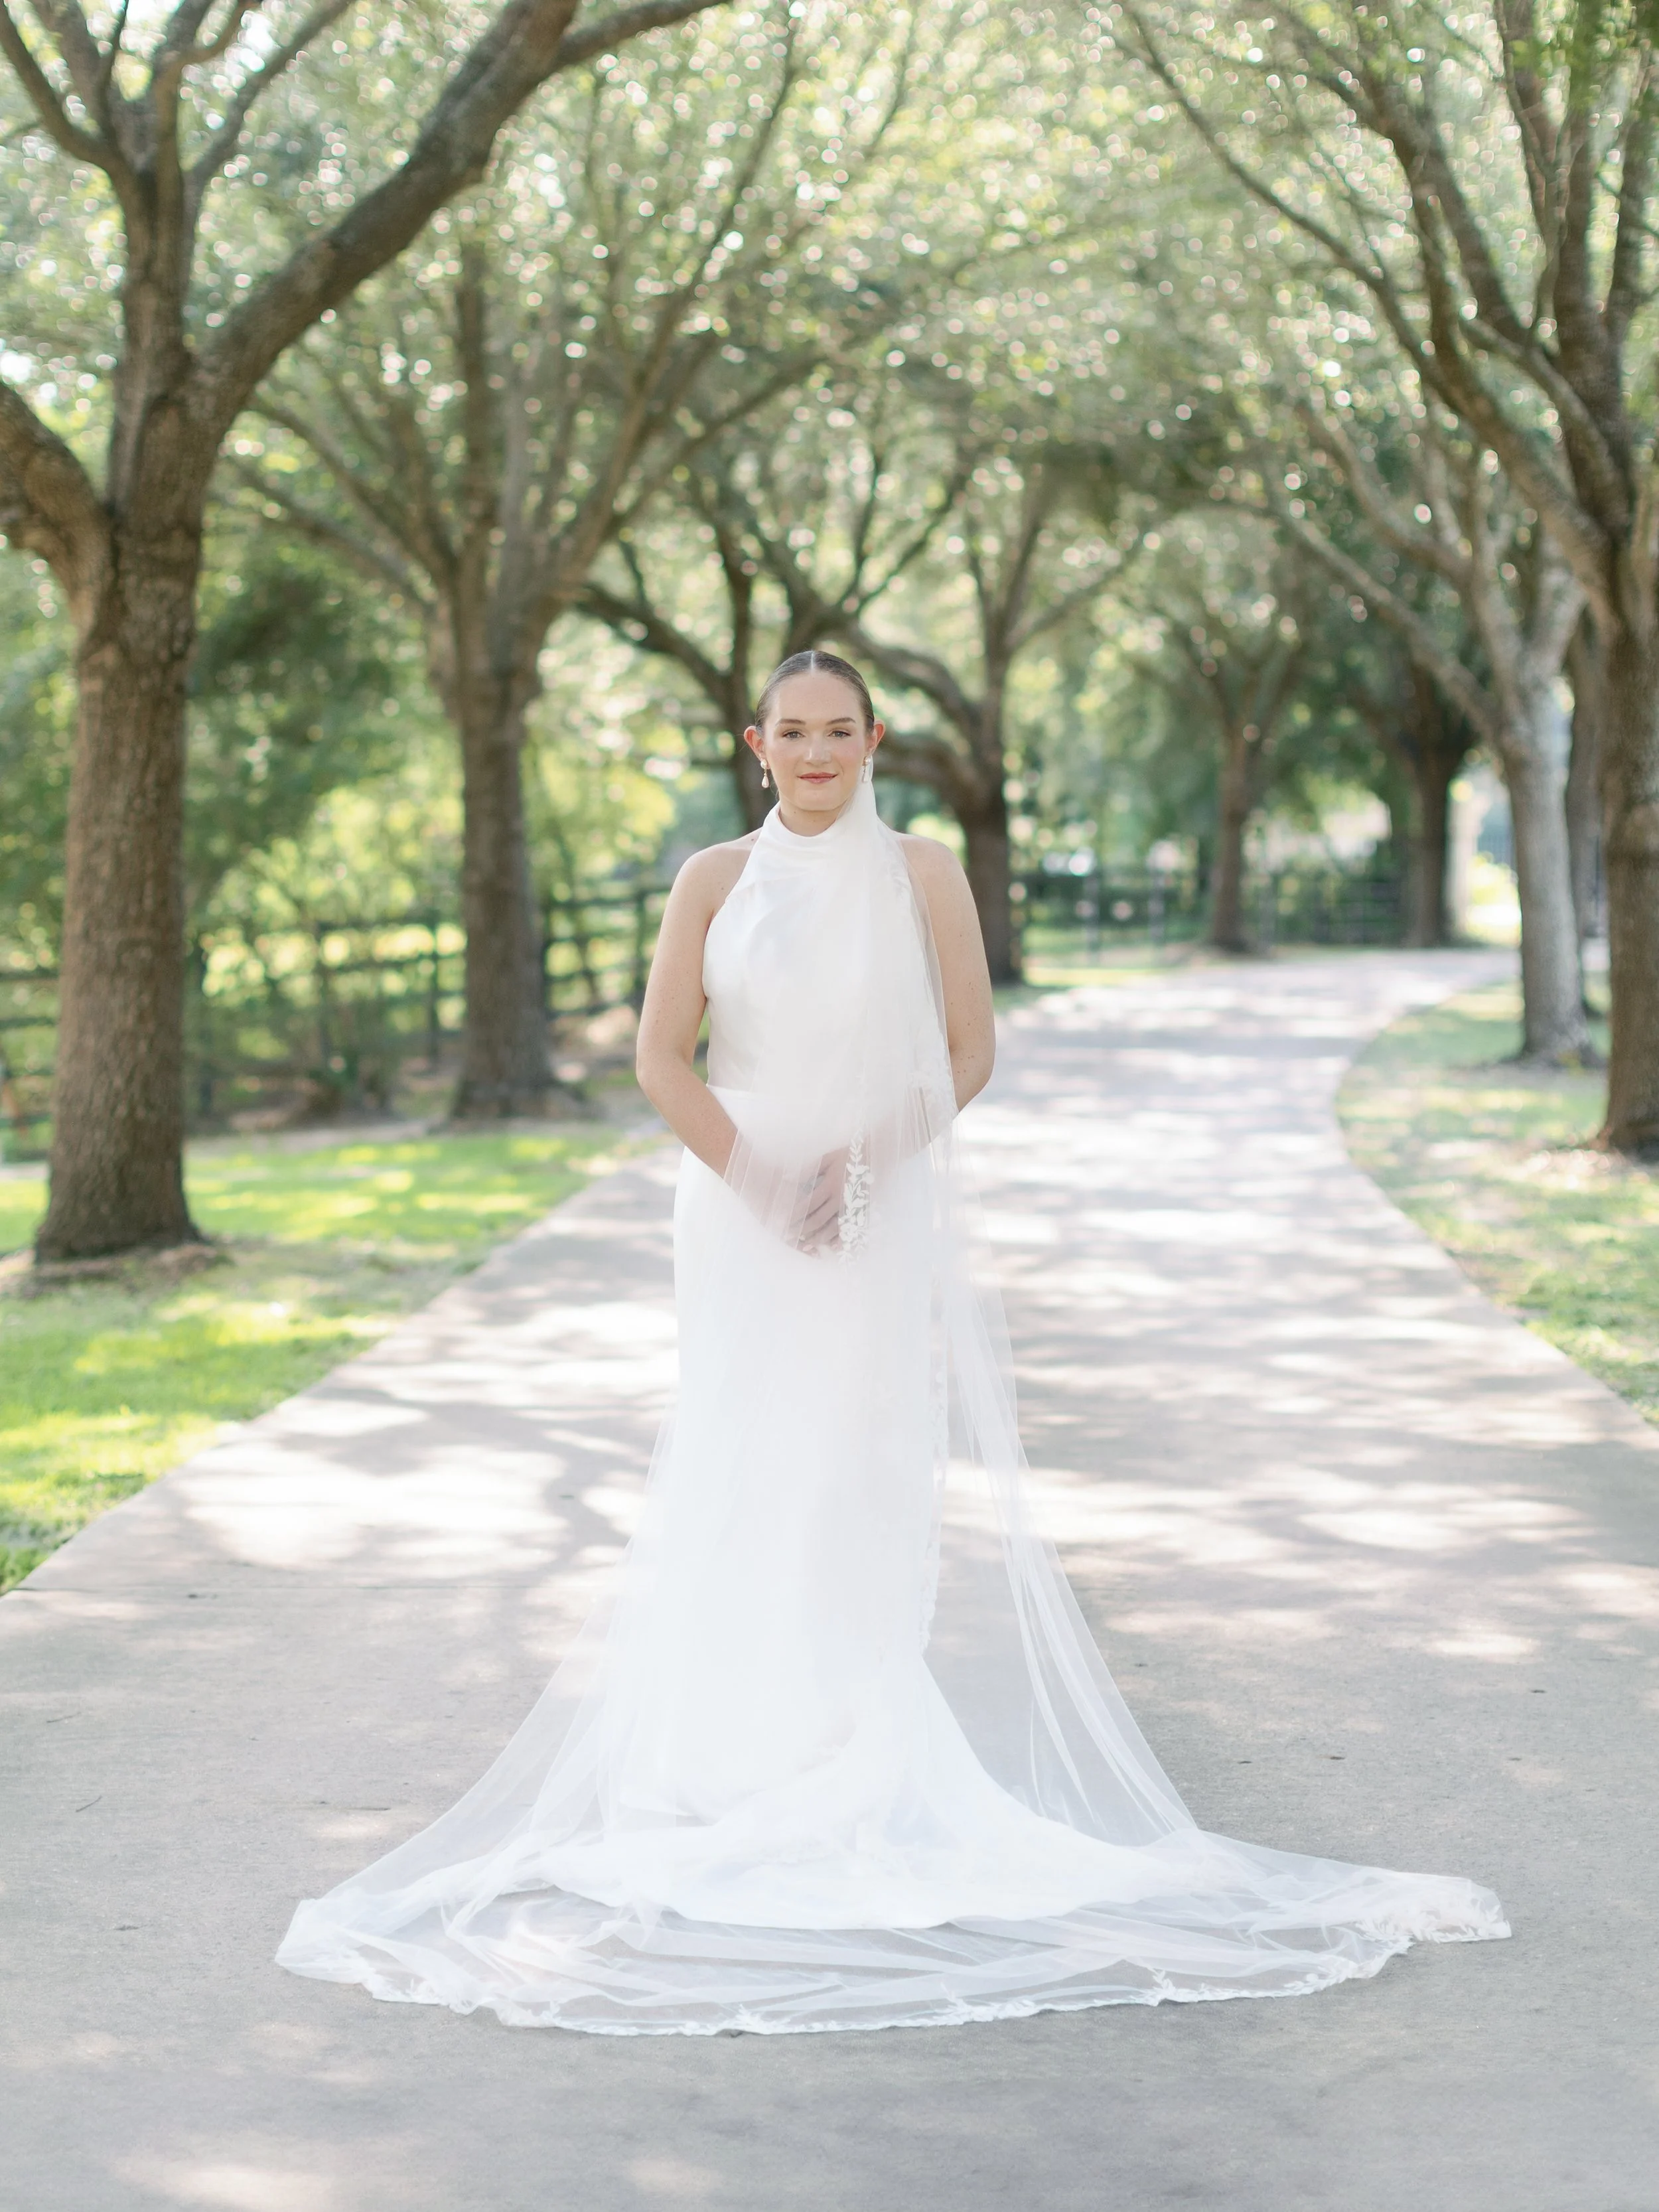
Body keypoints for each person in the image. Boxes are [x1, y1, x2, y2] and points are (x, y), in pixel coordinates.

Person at [277, 650, 1507, 2033]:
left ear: (876, 739)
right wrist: (760, 1180)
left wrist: (855, 1168)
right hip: (736, 1216)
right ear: (756, 743)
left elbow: (969, 1051)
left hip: (873, 1212)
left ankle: (845, 1739)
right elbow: (658, 1059)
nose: (814, 753)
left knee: (854, 1463)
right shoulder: (707, 880)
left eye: (838, 731)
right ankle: (724, 1756)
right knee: (744, 1462)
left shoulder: (921, 873)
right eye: (790, 732)